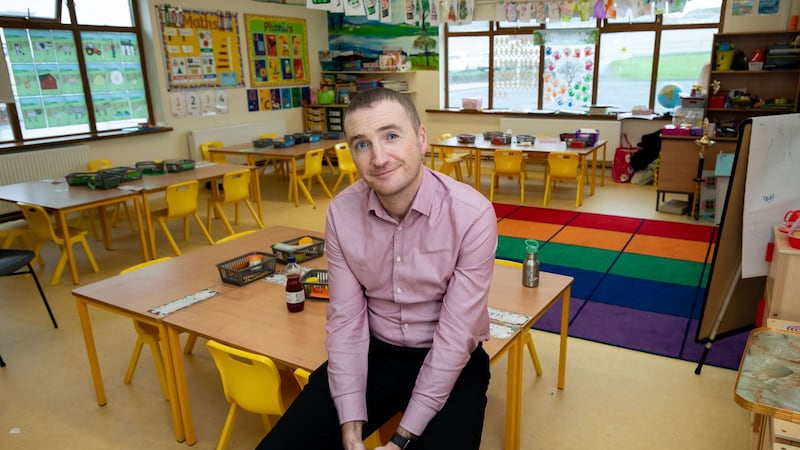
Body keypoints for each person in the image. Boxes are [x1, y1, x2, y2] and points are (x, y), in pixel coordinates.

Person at [256, 88, 497, 450]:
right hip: (374, 351)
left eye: (391, 136)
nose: (379, 157)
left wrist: (400, 440)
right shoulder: (341, 212)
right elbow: (346, 322)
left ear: (421, 138)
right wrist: (350, 431)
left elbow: (454, 337)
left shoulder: (472, 214)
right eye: (362, 144)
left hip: (453, 359)